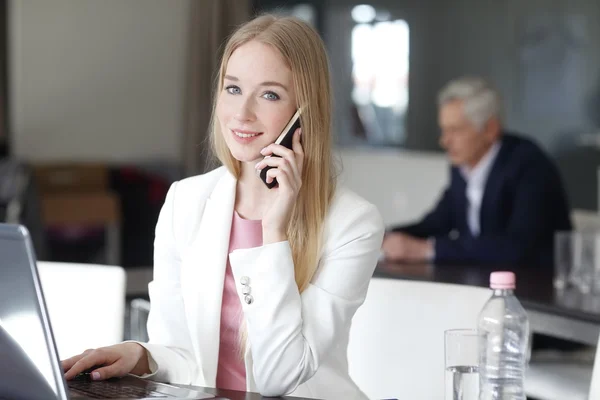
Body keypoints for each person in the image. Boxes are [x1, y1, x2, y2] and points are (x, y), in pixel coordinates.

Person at [61, 14, 384, 399]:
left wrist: (274, 233)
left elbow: (277, 379)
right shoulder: (186, 201)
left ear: (304, 113)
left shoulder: (353, 224)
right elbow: (182, 352)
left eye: (269, 95)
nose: (242, 113)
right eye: (232, 89)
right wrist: (140, 355)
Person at [382, 76, 571, 267]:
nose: (444, 141)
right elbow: (437, 222)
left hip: (537, 288)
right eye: (444, 130)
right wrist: (383, 236)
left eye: (455, 130)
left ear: (490, 129)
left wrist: (427, 249)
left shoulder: (529, 165)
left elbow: (517, 246)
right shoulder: (463, 165)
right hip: (482, 280)